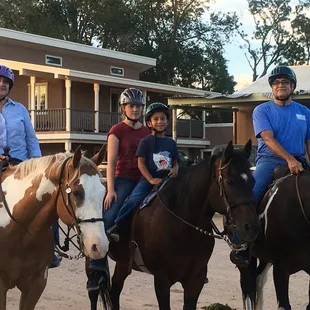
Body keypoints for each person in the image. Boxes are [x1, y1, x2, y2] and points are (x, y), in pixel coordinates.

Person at [231, 65, 310, 267]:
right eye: (276, 83)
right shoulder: (262, 110)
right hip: (270, 160)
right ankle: (241, 243)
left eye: (285, 82)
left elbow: (309, 142)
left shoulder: (304, 112)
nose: (280, 85)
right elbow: (268, 138)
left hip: (300, 160)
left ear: (293, 86)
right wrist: (288, 159)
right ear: (272, 88)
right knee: (253, 193)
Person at [88, 88, 149, 291]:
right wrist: (111, 190)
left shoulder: (147, 131)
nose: (135, 109)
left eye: (138, 106)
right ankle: (97, 264)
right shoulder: (116, 131)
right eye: (131, 106)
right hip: (122, 180)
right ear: (123, 108)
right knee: (109, 216)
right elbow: (112, 161)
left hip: (144, 179)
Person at [0, 65, 61, 268]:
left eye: (5, 82)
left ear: (10, 87)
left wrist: (38, 166)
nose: (1, 84)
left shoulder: (20, 110)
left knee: (48, 197)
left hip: (22, 165)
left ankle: (51, 248)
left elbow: (31, 139)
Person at [106, 102, 179, 237]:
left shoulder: (171, 143)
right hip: (140, 178)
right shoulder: (144, 140)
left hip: (166, 179)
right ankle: (115, 225)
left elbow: (175, 162)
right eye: (156, 119)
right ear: (150, 122)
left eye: (163, 119)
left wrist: (175, 169)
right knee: (133, 199)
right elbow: (140, 163)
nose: (160, 122)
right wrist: (111, 190)